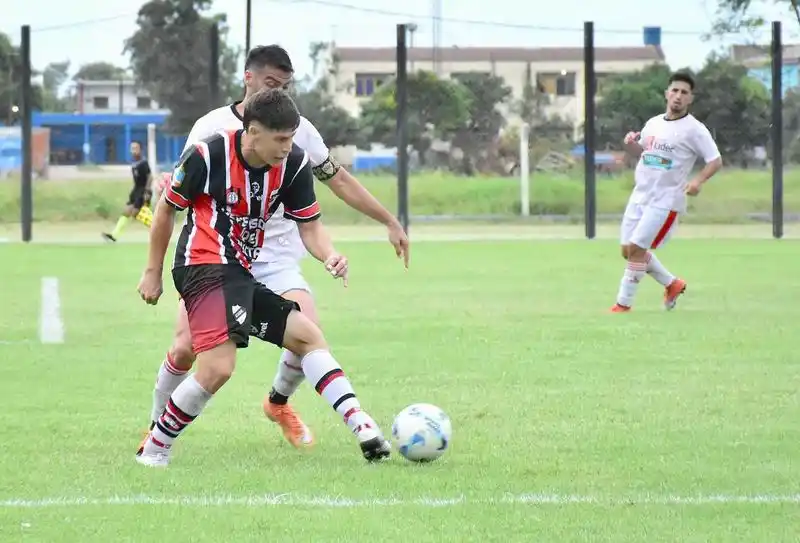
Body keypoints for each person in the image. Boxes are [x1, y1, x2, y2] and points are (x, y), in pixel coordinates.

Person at [144, 44, 408, 450]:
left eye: (285, 86)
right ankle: (156, 429)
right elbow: (178, 186)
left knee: (308, 333)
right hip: (213, 256)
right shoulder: (211, 130)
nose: (279, 93)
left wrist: (386, 219)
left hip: (275, 254)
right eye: (272, 83)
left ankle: (280, 403)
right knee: (186, 349)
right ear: (248, 78)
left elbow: (336, 179)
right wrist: (154, 268)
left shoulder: (299, 132)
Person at [611, 72, 722, 313]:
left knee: (637, 249)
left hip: (666, 200)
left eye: (684, 93)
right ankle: (673, 284)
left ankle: (623, 305)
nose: (678, 96)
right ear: (666, 94)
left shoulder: (695, 129)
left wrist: (697, 181)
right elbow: (643, 153)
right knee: (628, 251)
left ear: (690, 98)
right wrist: (631, 145)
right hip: (640, 195)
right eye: (675, 91)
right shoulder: (653, 123)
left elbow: (715, 160)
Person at [103, 140, 154, 242]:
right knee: (126, 212)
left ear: (140, 150)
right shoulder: (134, 163)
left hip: (142, 190)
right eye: (132, 148)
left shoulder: (143, 163)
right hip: (136, 190)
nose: (133, 151)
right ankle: (114, 236)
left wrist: (147, 191)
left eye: (136, 148)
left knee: (136, 213)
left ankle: (158, 227)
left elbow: (150, 177)